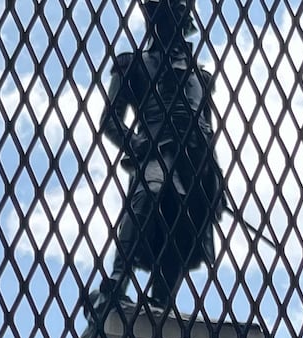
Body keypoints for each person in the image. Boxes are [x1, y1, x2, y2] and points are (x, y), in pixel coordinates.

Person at [90, 0, 225, 313]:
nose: (173, 29)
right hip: (157, 148)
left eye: (178, 20)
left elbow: (207, 123)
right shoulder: (132, 64)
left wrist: (215, 176)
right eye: (166, 20)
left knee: (187, 224)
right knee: (148, 196)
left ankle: (162, 300)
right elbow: (110, 120)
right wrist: (137, 143)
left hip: (197, 160)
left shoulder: (200, 77)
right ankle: (117, 282)